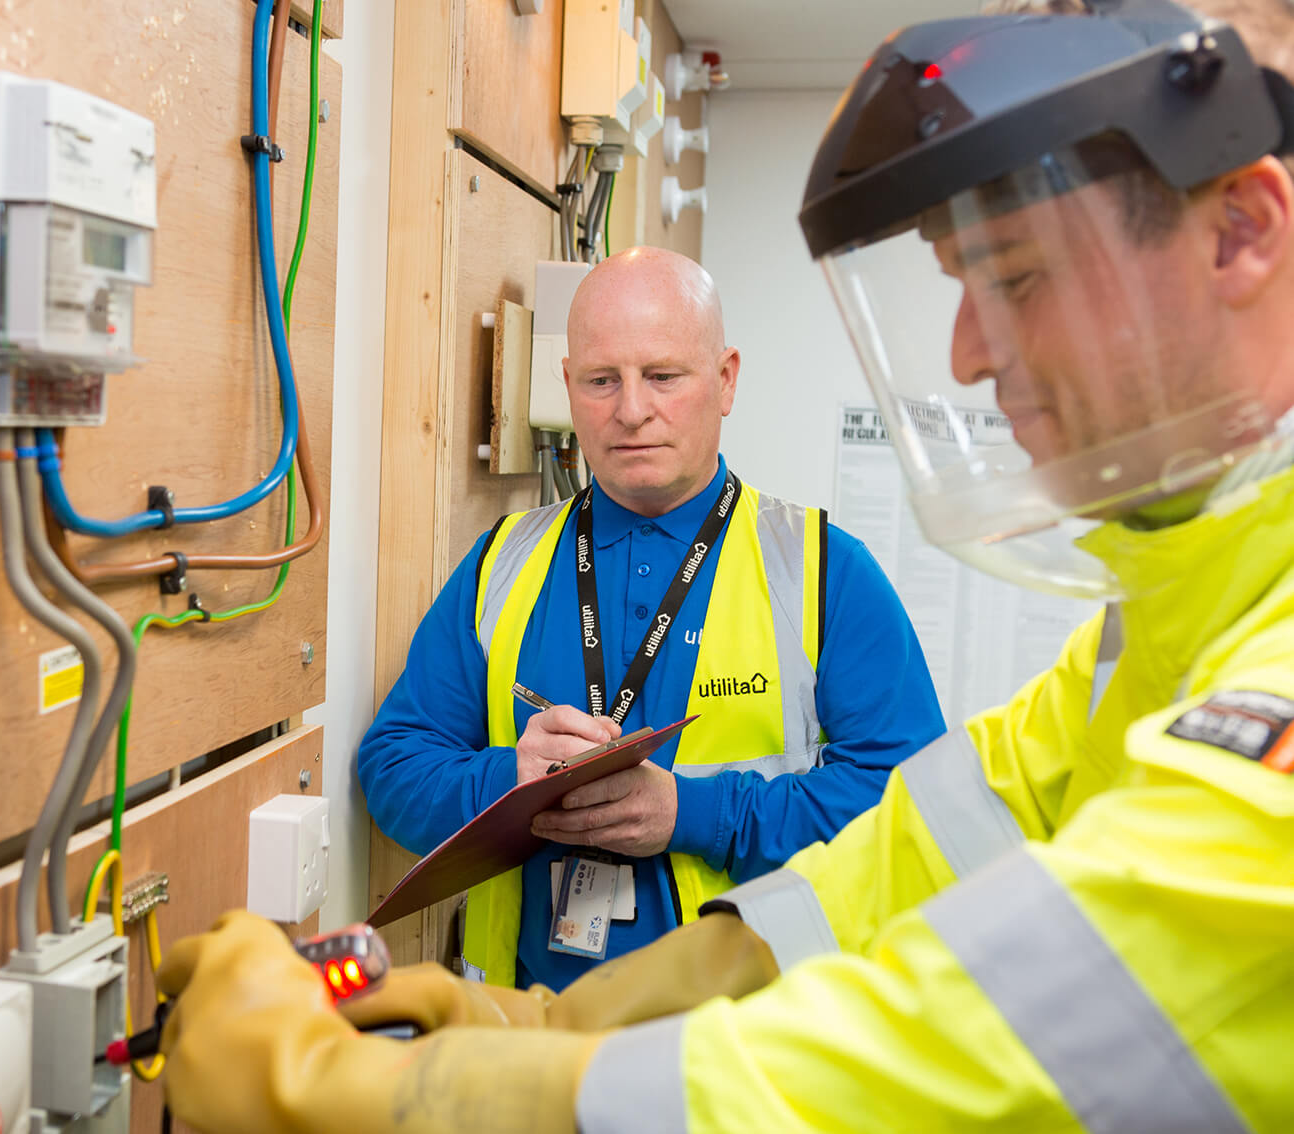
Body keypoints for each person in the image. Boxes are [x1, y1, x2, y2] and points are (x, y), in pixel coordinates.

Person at [153, 1, 1294, 1130]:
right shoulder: (1152, 629)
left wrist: (396, 1093)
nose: (966, 353)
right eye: (599, 381)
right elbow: (897, 865)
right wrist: (549, 1023)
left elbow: (940, 1056)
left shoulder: (826, 575)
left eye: (1016, 277)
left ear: (1240, 232)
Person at [355, 246, 945, 989]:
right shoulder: (501, 565)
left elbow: (912, 805)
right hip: (529, 1043)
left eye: (663, 376)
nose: (631, 410)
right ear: (568, 388)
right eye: (602, 380)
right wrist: (511, 782)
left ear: (725, 380)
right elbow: (392, 768)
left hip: (743, 1053)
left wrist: (697, 813)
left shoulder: (826, 572)